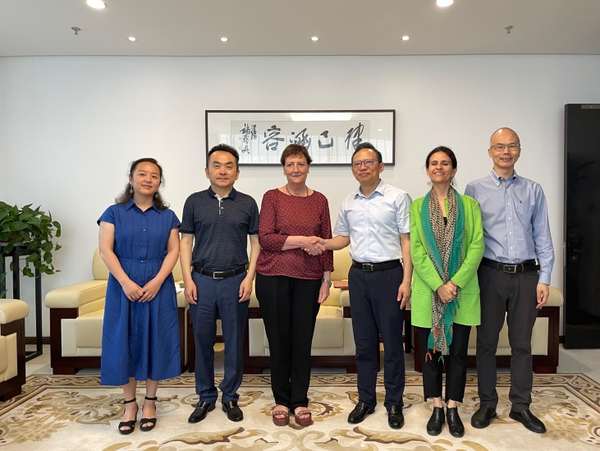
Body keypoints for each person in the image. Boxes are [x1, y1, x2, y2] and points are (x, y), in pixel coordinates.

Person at [315, 142, 412, 429]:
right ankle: (366, 399)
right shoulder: (349, 202)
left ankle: (394, 403)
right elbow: (342, 239)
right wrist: (320, 243)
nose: (363, 167)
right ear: (353, 169)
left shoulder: (398, 197)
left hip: (389, 275)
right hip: (358, 276)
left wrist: (407, 280)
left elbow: (406, 241)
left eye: (368, 162)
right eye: (357, 163)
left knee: (392, 344)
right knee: (364, 343)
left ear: (380, 166)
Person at [465, 127, 554, 434]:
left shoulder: (533, 190)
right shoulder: (474, 189)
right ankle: (487, 403)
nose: (506, 151)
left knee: (522, 344)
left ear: (519, 150)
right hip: (489, 275)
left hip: (526, 276)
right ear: (490, 152)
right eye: (500, 146)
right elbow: (468, 237)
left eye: (512, 146)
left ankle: (520, 406)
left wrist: (544, 278)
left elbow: (543, 236)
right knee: (486, 343)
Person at [98, 157, 181, 434]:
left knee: (157, 340)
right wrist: (125, 282)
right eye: (142, 174)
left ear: (160, 182)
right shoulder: (113, 213)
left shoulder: (168, 216)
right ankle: (130, 404)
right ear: (131, 179)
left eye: (154, 175)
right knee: (125, 341)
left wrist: (157, 282)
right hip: (123, 286)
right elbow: (106, 250)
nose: (148, 179)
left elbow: (173, 251)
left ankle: (150, 402)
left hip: (159, 285)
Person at [255, 144, 334, 427]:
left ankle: (299, 400)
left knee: (302, 341)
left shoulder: (320, 200)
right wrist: (303, 241)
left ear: (308, 167)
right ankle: (281, 399)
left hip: (309, 280)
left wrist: (326, 280)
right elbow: (266, 238)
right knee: (278, 341)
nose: (295, 169)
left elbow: (326, 241)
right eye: (290, 164)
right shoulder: (272, 197)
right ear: (284, 168)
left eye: (300, 164)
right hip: (272, 277)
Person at [180, 144, 260, 425]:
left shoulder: (247, 203)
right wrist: (188, 279)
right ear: (207, 171)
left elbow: (256, 243)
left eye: (229, 166)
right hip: (201, 280)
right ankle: (205, 396)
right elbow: (185, 242)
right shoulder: (194, 202)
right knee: (202, 342)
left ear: (237, 172)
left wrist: (250, 277)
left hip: (236, 280)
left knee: (234, 343)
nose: (223, 170)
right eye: (217, 165)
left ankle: (230, 396)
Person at [410, 146, 484, 437]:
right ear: (427, 170)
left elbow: (477, 246)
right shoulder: (417, 206)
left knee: (458, 354)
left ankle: (453, 406)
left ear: (453, 170)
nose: (438, 167)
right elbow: (417, 250)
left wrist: (453, 284)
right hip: (428, 293)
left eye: (444, 163)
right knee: (430, 354)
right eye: (433, 163)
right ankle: (437, 406)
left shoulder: (469, 205)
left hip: (460, 293)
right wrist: (438, 285)